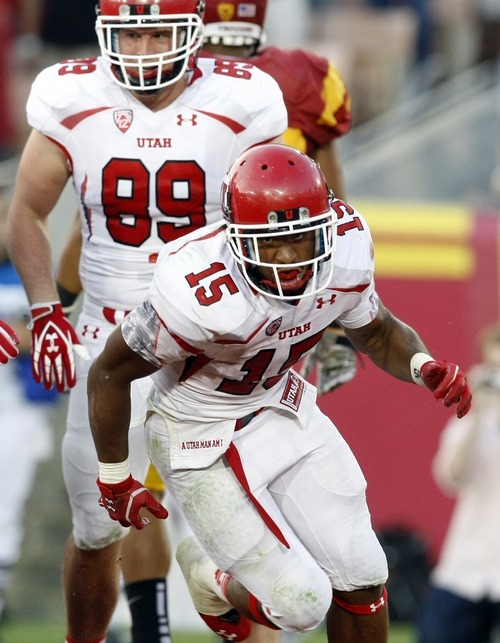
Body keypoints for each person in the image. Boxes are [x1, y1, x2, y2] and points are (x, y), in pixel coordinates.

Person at [86, 144, 472, 643]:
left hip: (279, 404)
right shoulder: (199, 289)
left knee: (362, 571)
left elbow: (376, 332)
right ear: (235, 237)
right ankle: (210, 575)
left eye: (303, 238)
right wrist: (116, 476)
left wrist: (421, 364)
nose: (290, 256)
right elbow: (110, 374)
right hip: (197, 431)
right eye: (270, 243)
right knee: (301, 604)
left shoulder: (345, 252)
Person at [6, 0, 287, 641]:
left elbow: (280, 217)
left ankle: (226, 602)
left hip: (214, 340)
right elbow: (26, 211)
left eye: (156, 31)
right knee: (96, 527)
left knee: (254, 524)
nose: (141, 49)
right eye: (129, 34)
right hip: (108, 335)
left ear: (192, 32)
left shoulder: (244, 100)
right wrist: (48, 311)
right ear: (106, 34)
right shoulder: (70, 94)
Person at [202, 0, 357, 396]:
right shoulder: (302, 76)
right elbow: (331, 194)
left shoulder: (179, 75)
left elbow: (329, 197)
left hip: (262, 262)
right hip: (226, 259)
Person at [418, 324, 500, 643]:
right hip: (468, 565)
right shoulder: (472, 422)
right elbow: (453, 476)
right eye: (493, 368)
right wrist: (477, 411)